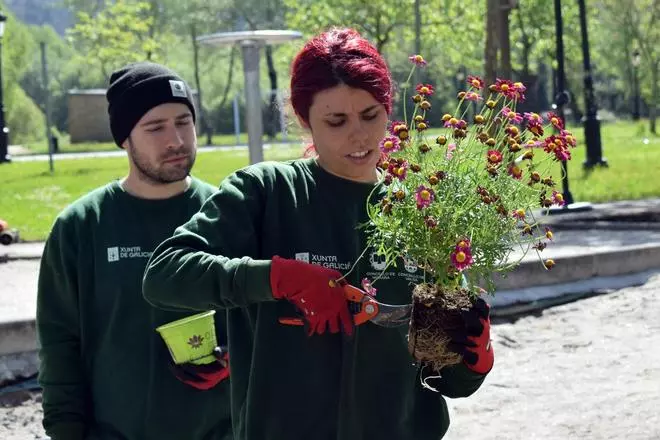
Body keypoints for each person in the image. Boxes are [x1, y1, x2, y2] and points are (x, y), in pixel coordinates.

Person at [142, 28, 493, 440]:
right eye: (336, 121)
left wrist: (474, 359)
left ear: (388, 108)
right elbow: (165, 274)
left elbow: (446, 383)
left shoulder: (424, 213)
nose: (359, 136)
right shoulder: (266, 192)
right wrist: (278, 278)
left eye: (370, 115)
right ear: (305, 119)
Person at [36, 62, 232, 440]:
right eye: (155, 127)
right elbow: (59, 347)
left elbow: (268, 327)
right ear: (124, 138)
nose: (175, 139)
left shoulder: (229, 213)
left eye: (183, 121)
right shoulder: (80, 227)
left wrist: (235, 360)